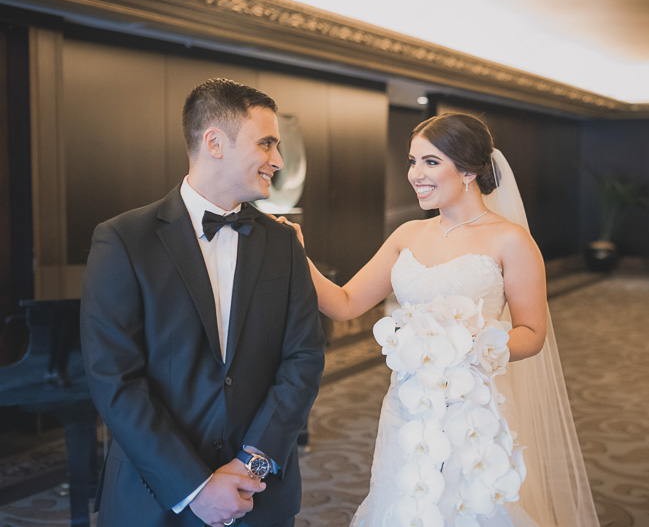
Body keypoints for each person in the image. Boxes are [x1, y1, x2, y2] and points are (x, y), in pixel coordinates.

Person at [278, 112, 599, 526]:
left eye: (430, 162)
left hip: (474, 405)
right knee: (406, 499)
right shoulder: (407, 235)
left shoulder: (510, 240)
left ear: (467, 170)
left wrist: (472, 344)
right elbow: (344, 303)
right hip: (408, 405)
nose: (415, 174)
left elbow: (532, 333)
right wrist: (297, 254)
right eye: (413, 161)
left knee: (468, 504)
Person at [80, 78, 325, 527]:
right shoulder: (122, 240)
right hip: (154, 497)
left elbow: (304, 358)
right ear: (214, 142)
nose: (278, 160)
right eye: (267, 144)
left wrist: (252, 463)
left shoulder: (284, 243)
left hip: (259, 496)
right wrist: (195, 485)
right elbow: (114, 379)